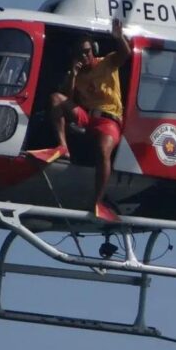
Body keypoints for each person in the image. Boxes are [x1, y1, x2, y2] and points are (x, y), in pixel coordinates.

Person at [30, 18, 131, 222]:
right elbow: (68, 98)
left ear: (93, 50)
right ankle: (62, 147)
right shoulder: (78, 75)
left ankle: (98, 201)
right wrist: (73, 75)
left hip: (108, 120)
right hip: (87, 118)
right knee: (55, 99)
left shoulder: (107, 62)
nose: (85, 56)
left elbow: (125, 54)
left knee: (103, 151)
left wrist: (119, 38)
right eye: (80, 53)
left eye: (87, 52)